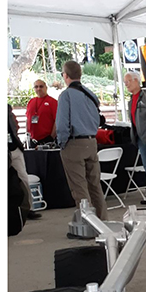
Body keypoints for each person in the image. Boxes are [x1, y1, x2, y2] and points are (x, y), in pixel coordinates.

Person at [56, 61, 108, 220]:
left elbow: (62, 124)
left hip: (74, 144)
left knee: (79, 187)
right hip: (91, 142)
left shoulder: (66, 95)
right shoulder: (90, 94)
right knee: (95, 185)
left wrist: (62, 142)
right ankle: (103, 220)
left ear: (65, 75)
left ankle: (88, 224)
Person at [124, 71, 146, 205]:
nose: (126, 85)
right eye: (125, 82)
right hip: (140, 138)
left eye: (128, 82)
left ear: (136, 81)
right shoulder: (131, 100)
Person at [8, 104, 40, 220]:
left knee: (23, 179)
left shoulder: (9, 112)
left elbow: (15, 126)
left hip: (14, 148)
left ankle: (28, 209)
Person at [25, 79, 58, 145]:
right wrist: (27, 135)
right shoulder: (31, 101)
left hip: (47, 139)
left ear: (46, 88)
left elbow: (57, 121)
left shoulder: (53, 102)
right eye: (36, 87)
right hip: (32, 139)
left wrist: (51, 137)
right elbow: (28, 119)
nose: (39, 89)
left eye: (41, 86)